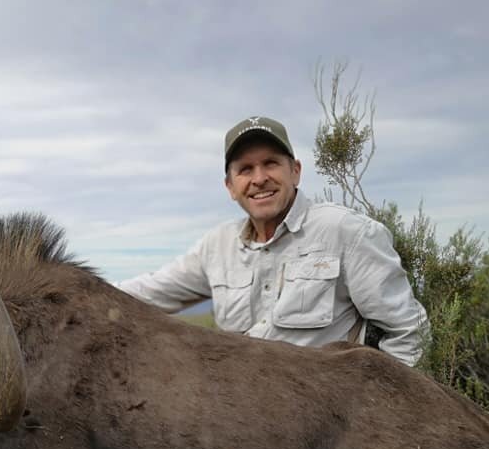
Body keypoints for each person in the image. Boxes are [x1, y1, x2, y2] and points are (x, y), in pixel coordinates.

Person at [116, 115, 428, 366]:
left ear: (295, 171)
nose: (259, 178)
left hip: (325, 422)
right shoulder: (217, 246)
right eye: (245, 169)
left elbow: (408, 330)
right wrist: (71, 290)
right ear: (230, 186)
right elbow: (149, 292)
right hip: (242, 417)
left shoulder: (346, 231)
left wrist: (377, 413)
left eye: (271, 163)